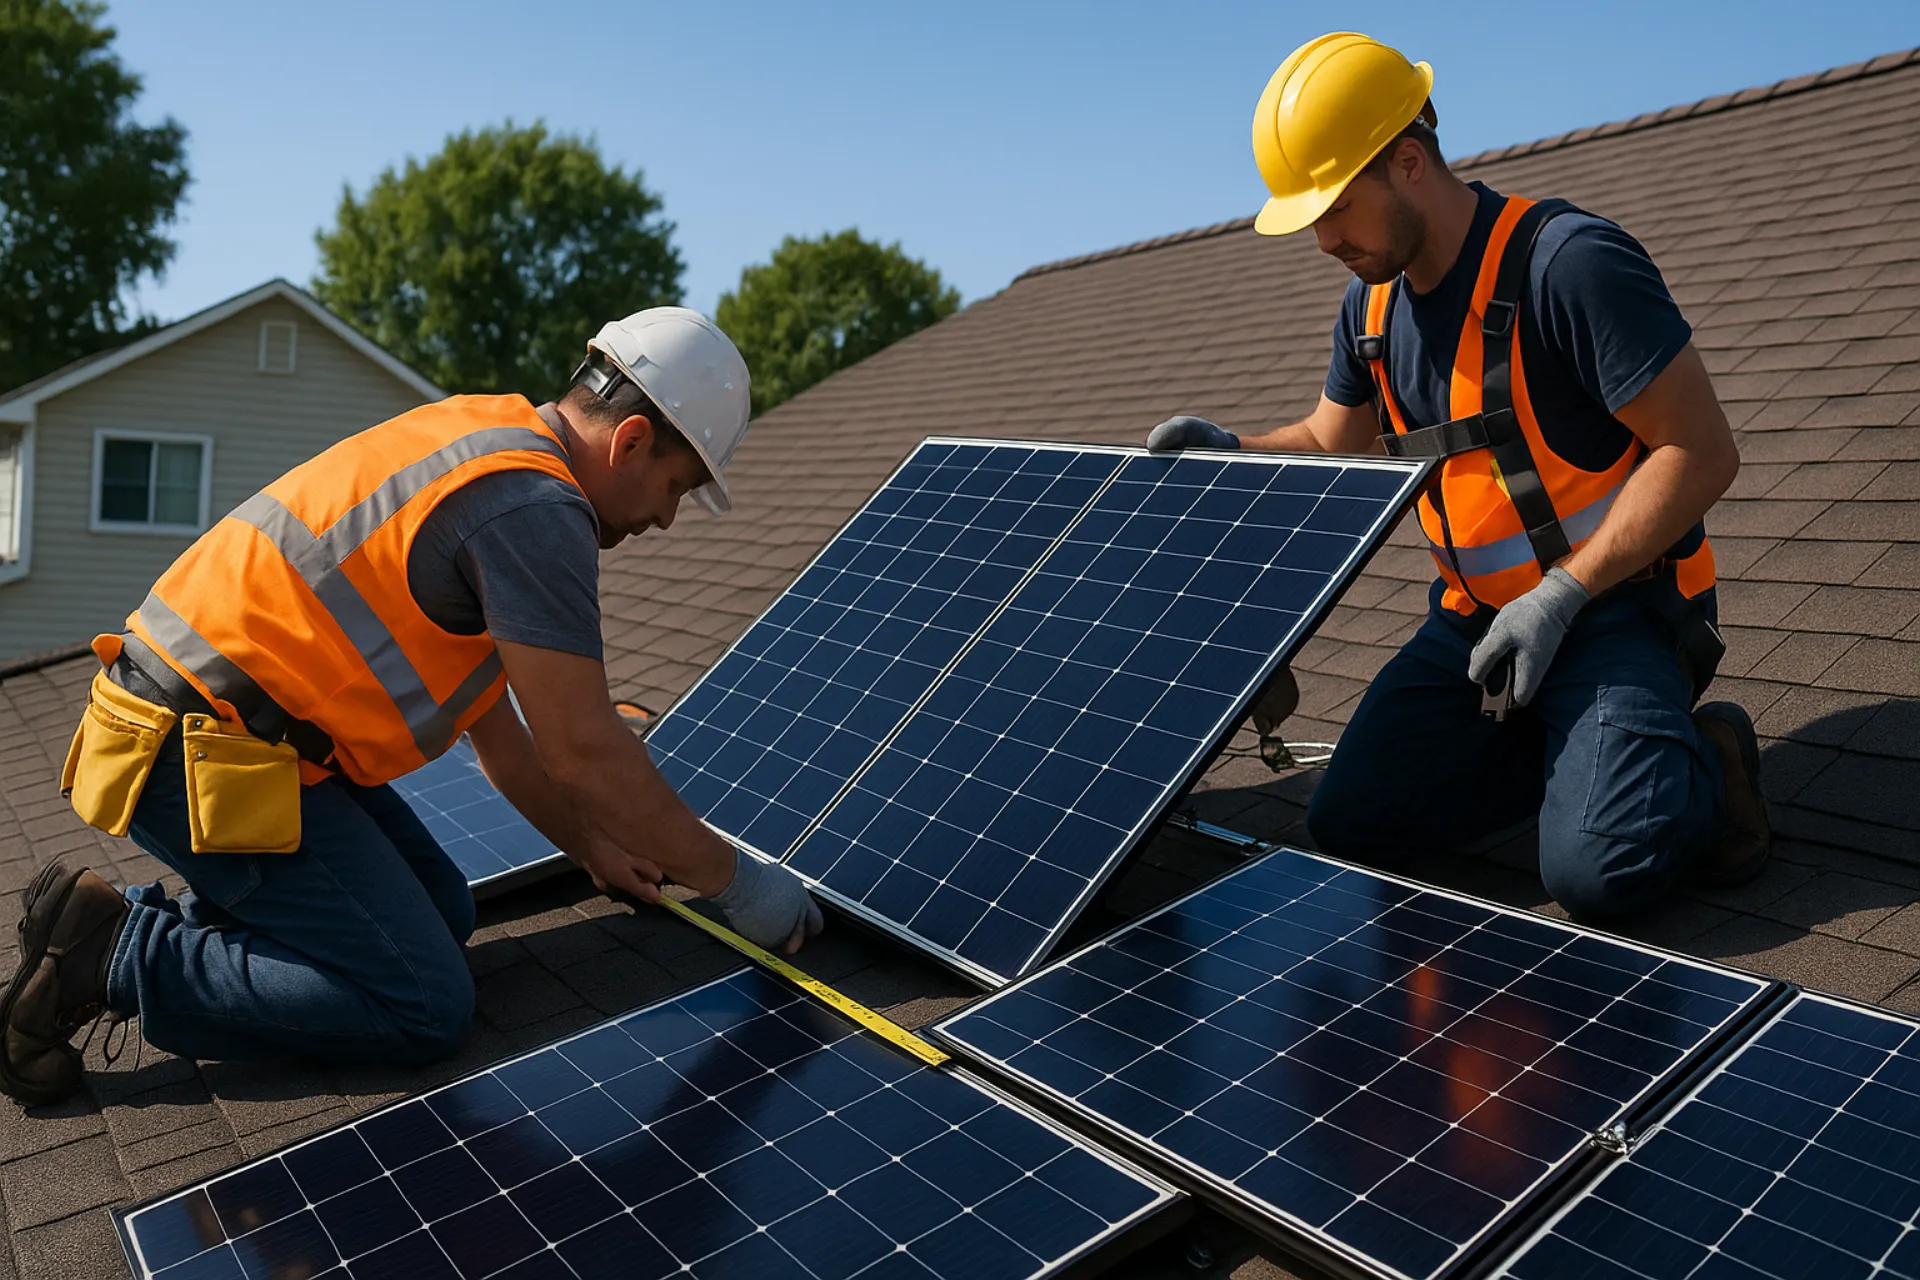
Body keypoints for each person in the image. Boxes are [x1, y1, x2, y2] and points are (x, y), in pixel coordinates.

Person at [1, 307, 822, 1106]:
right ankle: (116, 954)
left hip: (225, 734)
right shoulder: (536, 511)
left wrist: (594, 850)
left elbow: (506, 740)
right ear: (632, 441)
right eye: (675, 487)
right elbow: (584, 751)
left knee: (443, 909)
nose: (665, 520)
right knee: (424, 1004)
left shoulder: (483, 438)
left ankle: (121, 922)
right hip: (200, 754)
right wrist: (741, 887)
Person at [1147, 33, 1770, 921]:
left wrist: (1561, 596)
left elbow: (1702, 452)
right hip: (1474, 632)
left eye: (1335, 209)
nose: (1323, 240)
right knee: (1353, 822)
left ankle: (1707, 760)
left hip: (1616, 609)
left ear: (1407, 162)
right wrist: (1229, 449)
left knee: (1599, 880)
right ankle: (1579, 765)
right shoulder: (1369, 308)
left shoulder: (1569, 264)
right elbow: (1333, 439)